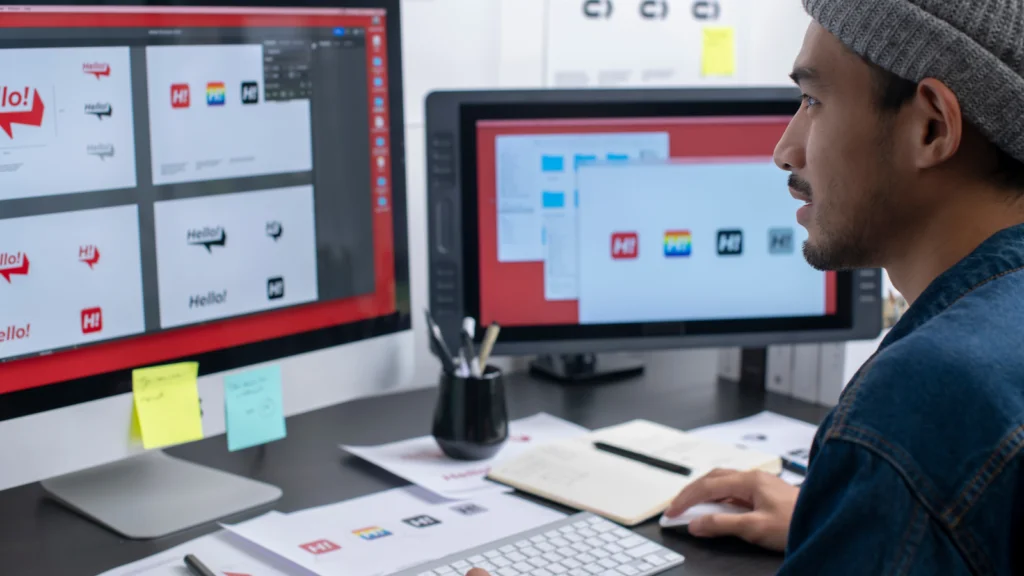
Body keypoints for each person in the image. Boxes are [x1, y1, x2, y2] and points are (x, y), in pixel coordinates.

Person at [470, 0, 1024, 573]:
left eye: (814, 101)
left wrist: (879, 494)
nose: (785, 150)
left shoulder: (919, 404)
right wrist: (846, 518)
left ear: (931, 126)